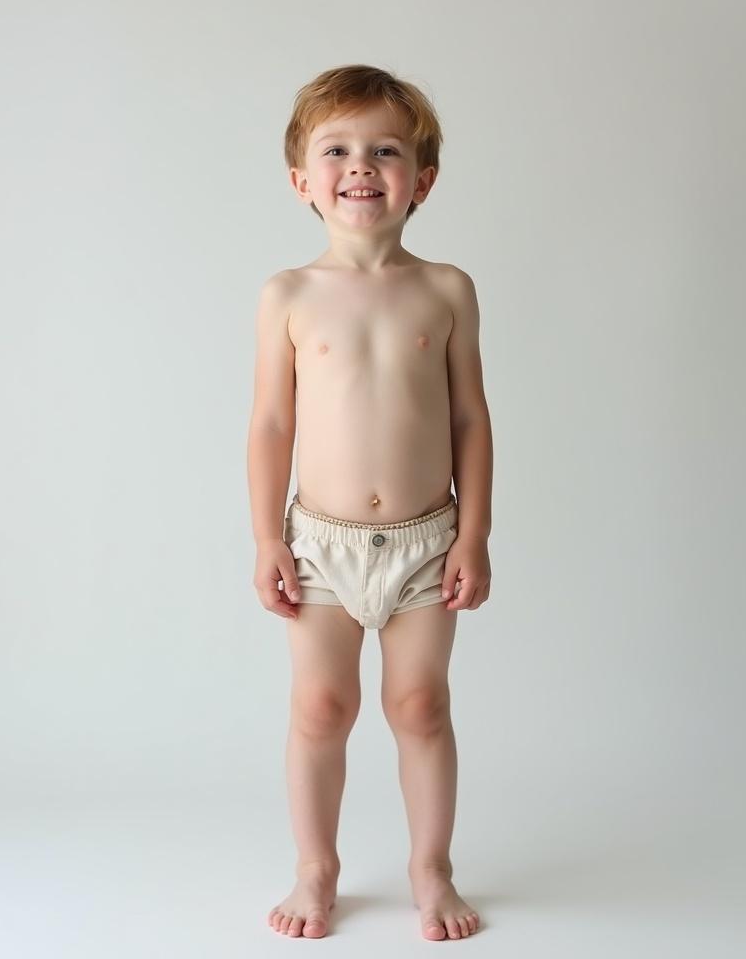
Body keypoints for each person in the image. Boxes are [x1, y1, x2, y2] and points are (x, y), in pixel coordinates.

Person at [247, 63, 493, 941]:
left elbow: (470, 416)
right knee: (320, 707)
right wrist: (268, 539)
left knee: (420, 705)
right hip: (319, 541)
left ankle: (433, 868)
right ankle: (317, 868)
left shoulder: (446, 289)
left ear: (420, 180)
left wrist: (476, 535)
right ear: (300, 180)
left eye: (385, 150)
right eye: (338, 150)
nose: (362, 165)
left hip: (428, 539)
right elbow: (272, 426)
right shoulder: (289, 295)